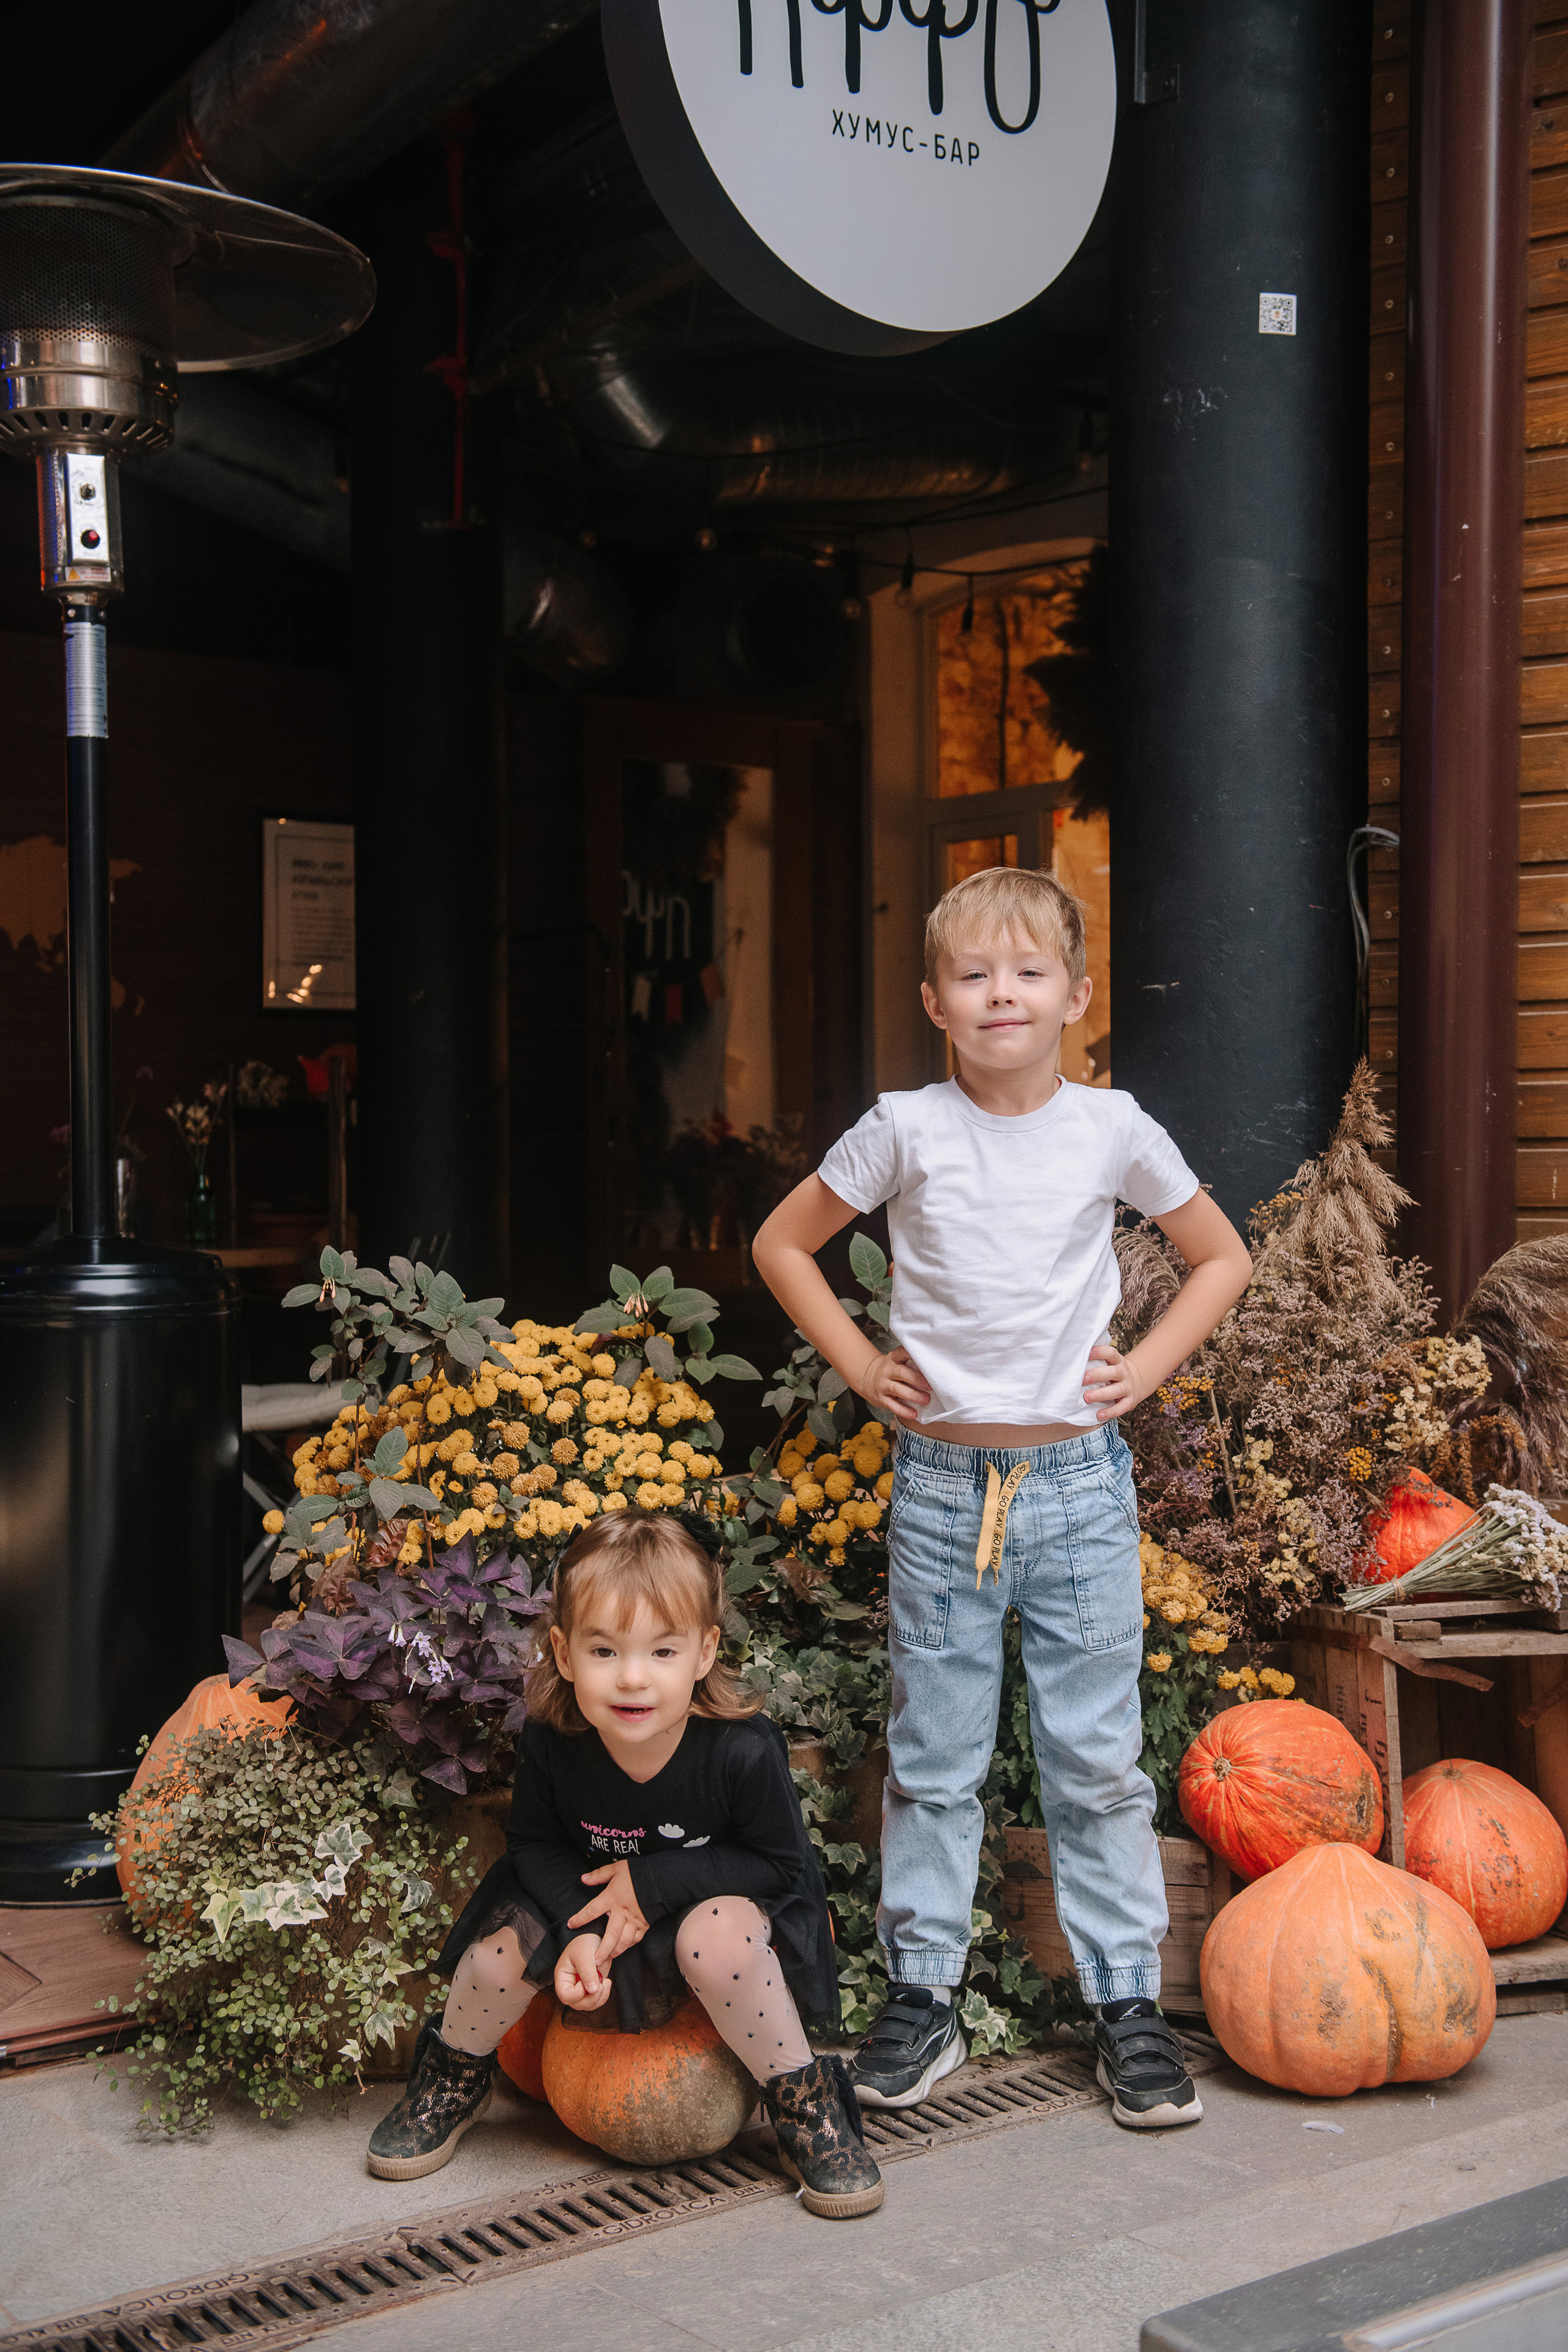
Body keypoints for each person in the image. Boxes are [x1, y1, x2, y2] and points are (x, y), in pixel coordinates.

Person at [752, 865, 1253, 2130]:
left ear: (1076, 995)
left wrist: (1142, 1370)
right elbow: (781, 1243)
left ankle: (1127, 2006)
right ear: (935, 1002)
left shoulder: (1111, 1128)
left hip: (1077, 1489)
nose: (1001, 995)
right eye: (973, 975)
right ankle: (923, 1999)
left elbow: (1219, 1257)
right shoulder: (904, 1129)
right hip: (940, 1490)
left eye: (1029, 972)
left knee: (1095, 1761)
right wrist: (862, 1366)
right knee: (933, 1760)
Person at [366, 1508, 883, 2219]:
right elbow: (534, 1845)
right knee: (494, 1955)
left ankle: (803, 2104)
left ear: (703, 1652)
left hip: (711, 1903)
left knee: (719, 1942)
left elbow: (777, 1864)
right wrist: (576, 1932)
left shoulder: (740, 1750)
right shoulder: (553, 1739)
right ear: (563, 1652)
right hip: (585, 1897)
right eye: (605, 1651)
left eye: (662, 1652)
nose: (633, 1678)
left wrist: (651, 1881)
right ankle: (454, 2075)